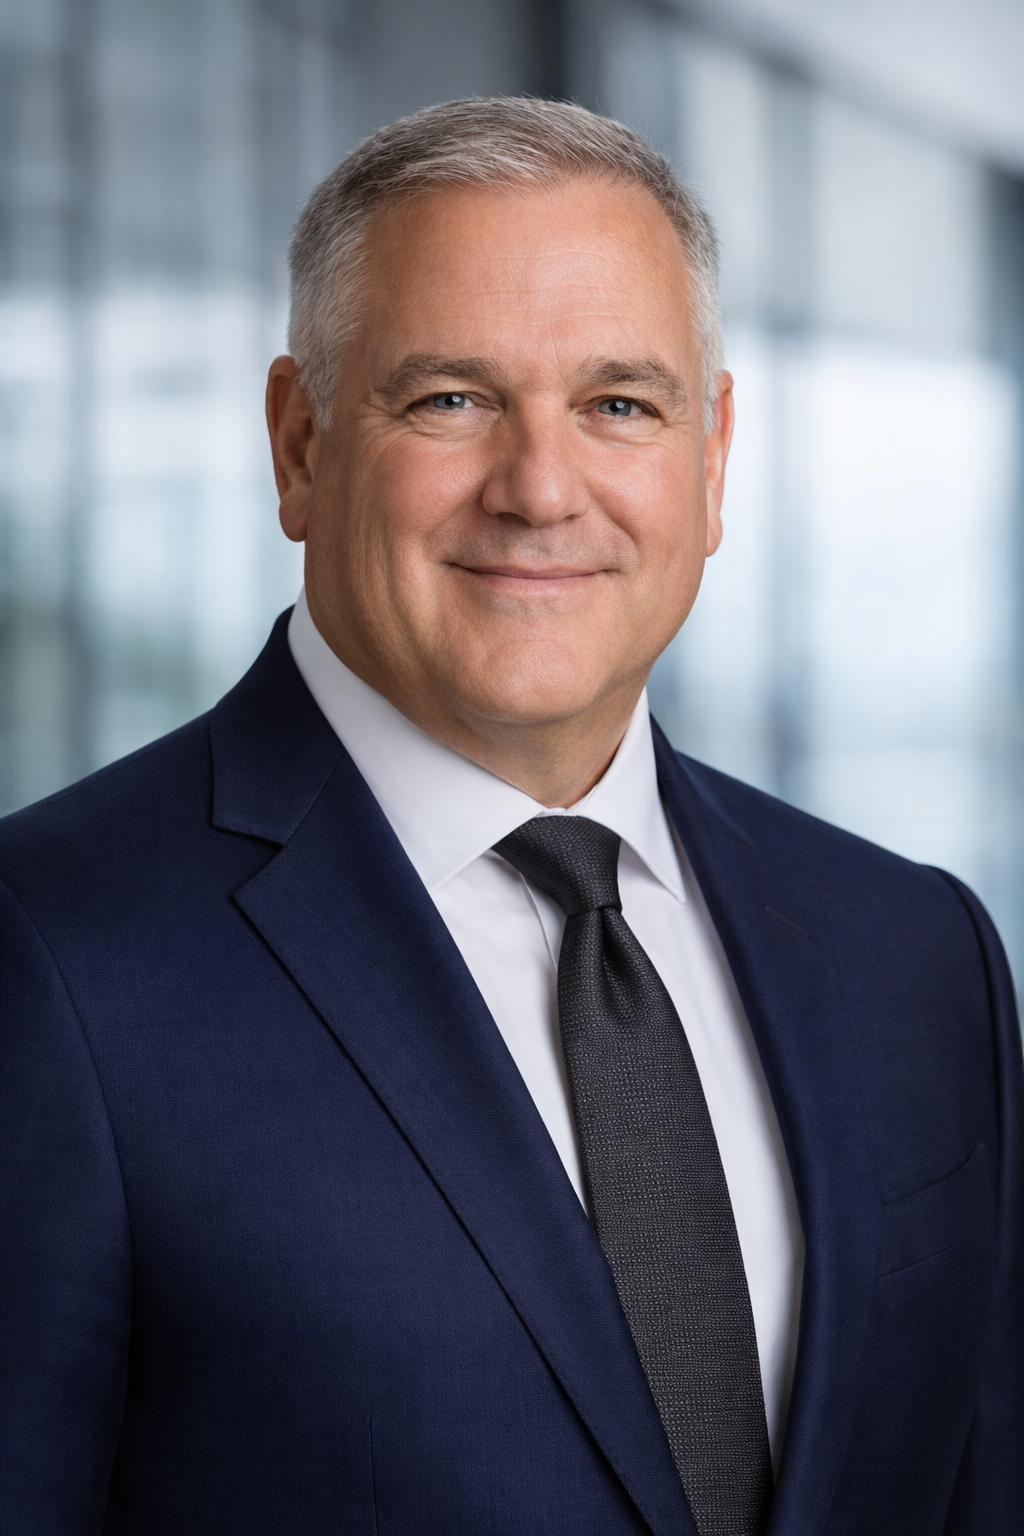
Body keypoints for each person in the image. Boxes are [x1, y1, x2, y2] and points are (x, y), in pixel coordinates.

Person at [0, 97, 1020, 1536]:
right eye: (450, 400)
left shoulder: (917, 954)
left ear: (713, 454)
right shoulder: (48, 959)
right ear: (299, 444)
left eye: (619, 404)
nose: (542, 490)